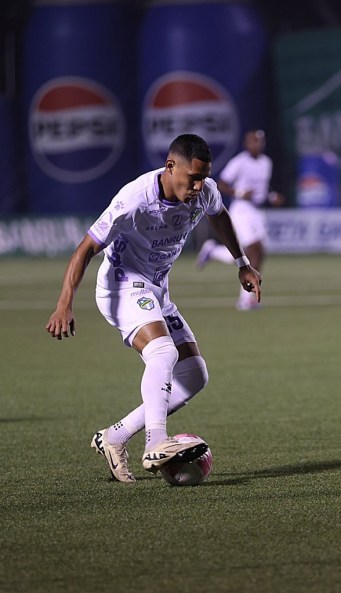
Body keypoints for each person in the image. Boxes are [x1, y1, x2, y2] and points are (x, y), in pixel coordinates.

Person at [46, 134, 262, 483]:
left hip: (157, 289)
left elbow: (220, 216)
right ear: (169, 166)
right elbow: (86, 248)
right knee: (162, 352)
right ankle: (156, 441)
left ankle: (114, 436)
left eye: (203, 177)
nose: (198, 185)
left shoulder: (204, 191)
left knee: (193, 377)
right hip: (121, 284)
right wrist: (64, 303)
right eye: (192, 177)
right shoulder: (134, 199)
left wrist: (242, 262)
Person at [196, 129, 281, 310]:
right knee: (253, 250)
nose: (257, 145)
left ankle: (213, 252)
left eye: (260, 142)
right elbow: (222, 183)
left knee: (259, 254)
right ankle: (246, 300)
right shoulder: (239, 162)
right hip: (241, 210)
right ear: (247, 144)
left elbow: (263, 187)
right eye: (254, 141)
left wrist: (272, 196)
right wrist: (241, 193)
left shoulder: (267, 162)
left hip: (257, 211)